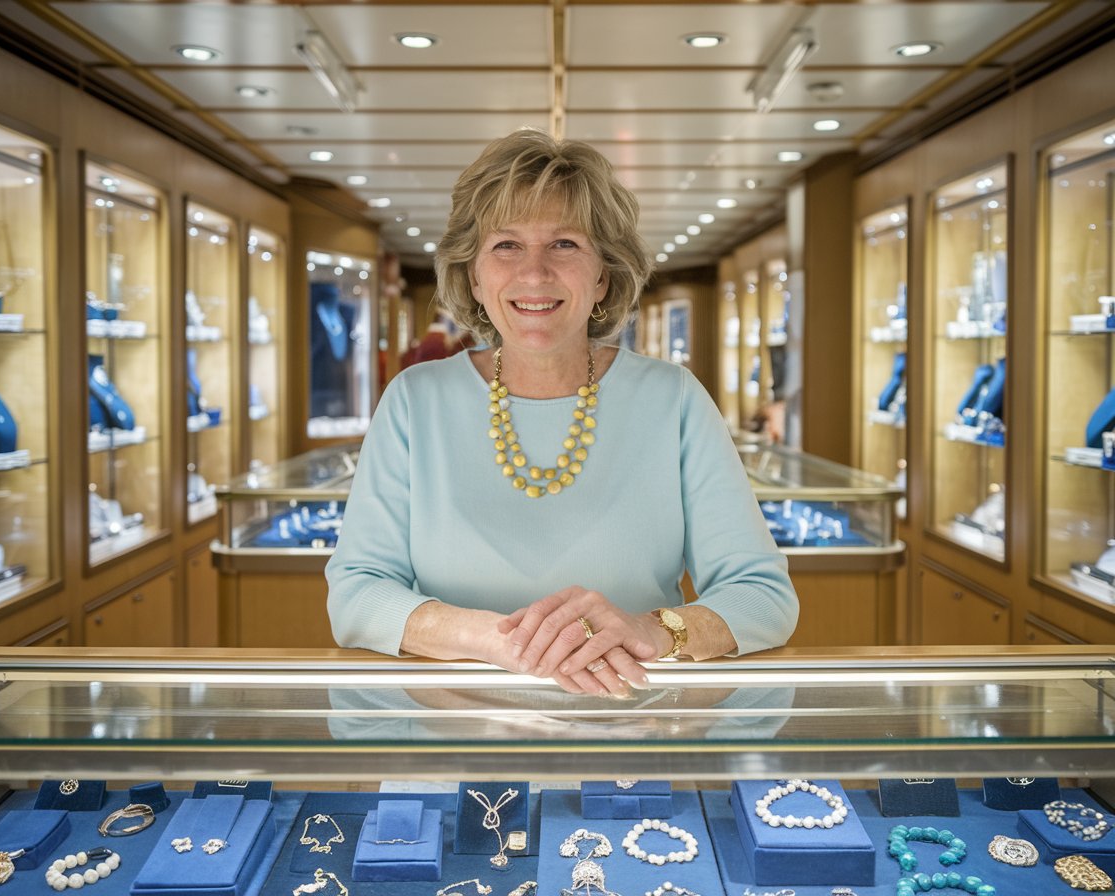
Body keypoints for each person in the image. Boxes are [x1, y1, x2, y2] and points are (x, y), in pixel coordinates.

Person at [326, 129, 798, 697]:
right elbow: (356, 593)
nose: (534, 273)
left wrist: (655, 629)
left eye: (565, 244)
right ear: (473, 274)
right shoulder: (412, 401)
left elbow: (763, 596)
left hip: (630, 730)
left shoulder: (673, 399)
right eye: (506, 245)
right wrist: (498, 640)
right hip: (450, 729)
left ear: (603, 274)